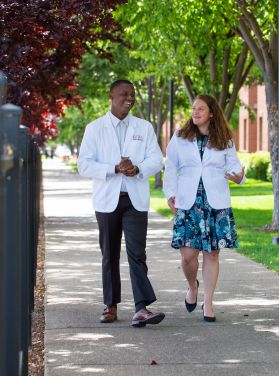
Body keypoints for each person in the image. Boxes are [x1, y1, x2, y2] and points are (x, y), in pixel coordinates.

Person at [77, 79, 165, 327]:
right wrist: (113, 168)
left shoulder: (144, 127)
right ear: (111, 96)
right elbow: (83, 164)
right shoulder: (95, 128)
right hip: (107, 201)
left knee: (137, 253)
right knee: (109, 254)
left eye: (132, 94)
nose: (129, 98)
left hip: (134, 200)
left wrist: (137, 168)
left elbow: (156, 159)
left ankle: (142, 308)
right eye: (124, 94)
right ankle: (110, 305)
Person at [163, 94, 245, 322]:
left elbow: (234, 166)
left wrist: (239, 177)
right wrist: (170, 193)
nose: (195, 112)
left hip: (215, 203)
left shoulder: (224, 138)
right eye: (193, 108)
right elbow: (170, 167)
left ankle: (208, 303)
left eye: (201, 109)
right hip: (188, 202)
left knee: (212, 254)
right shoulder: (180, 137)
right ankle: (192, 286)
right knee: (188, 256)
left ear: (211, 113)